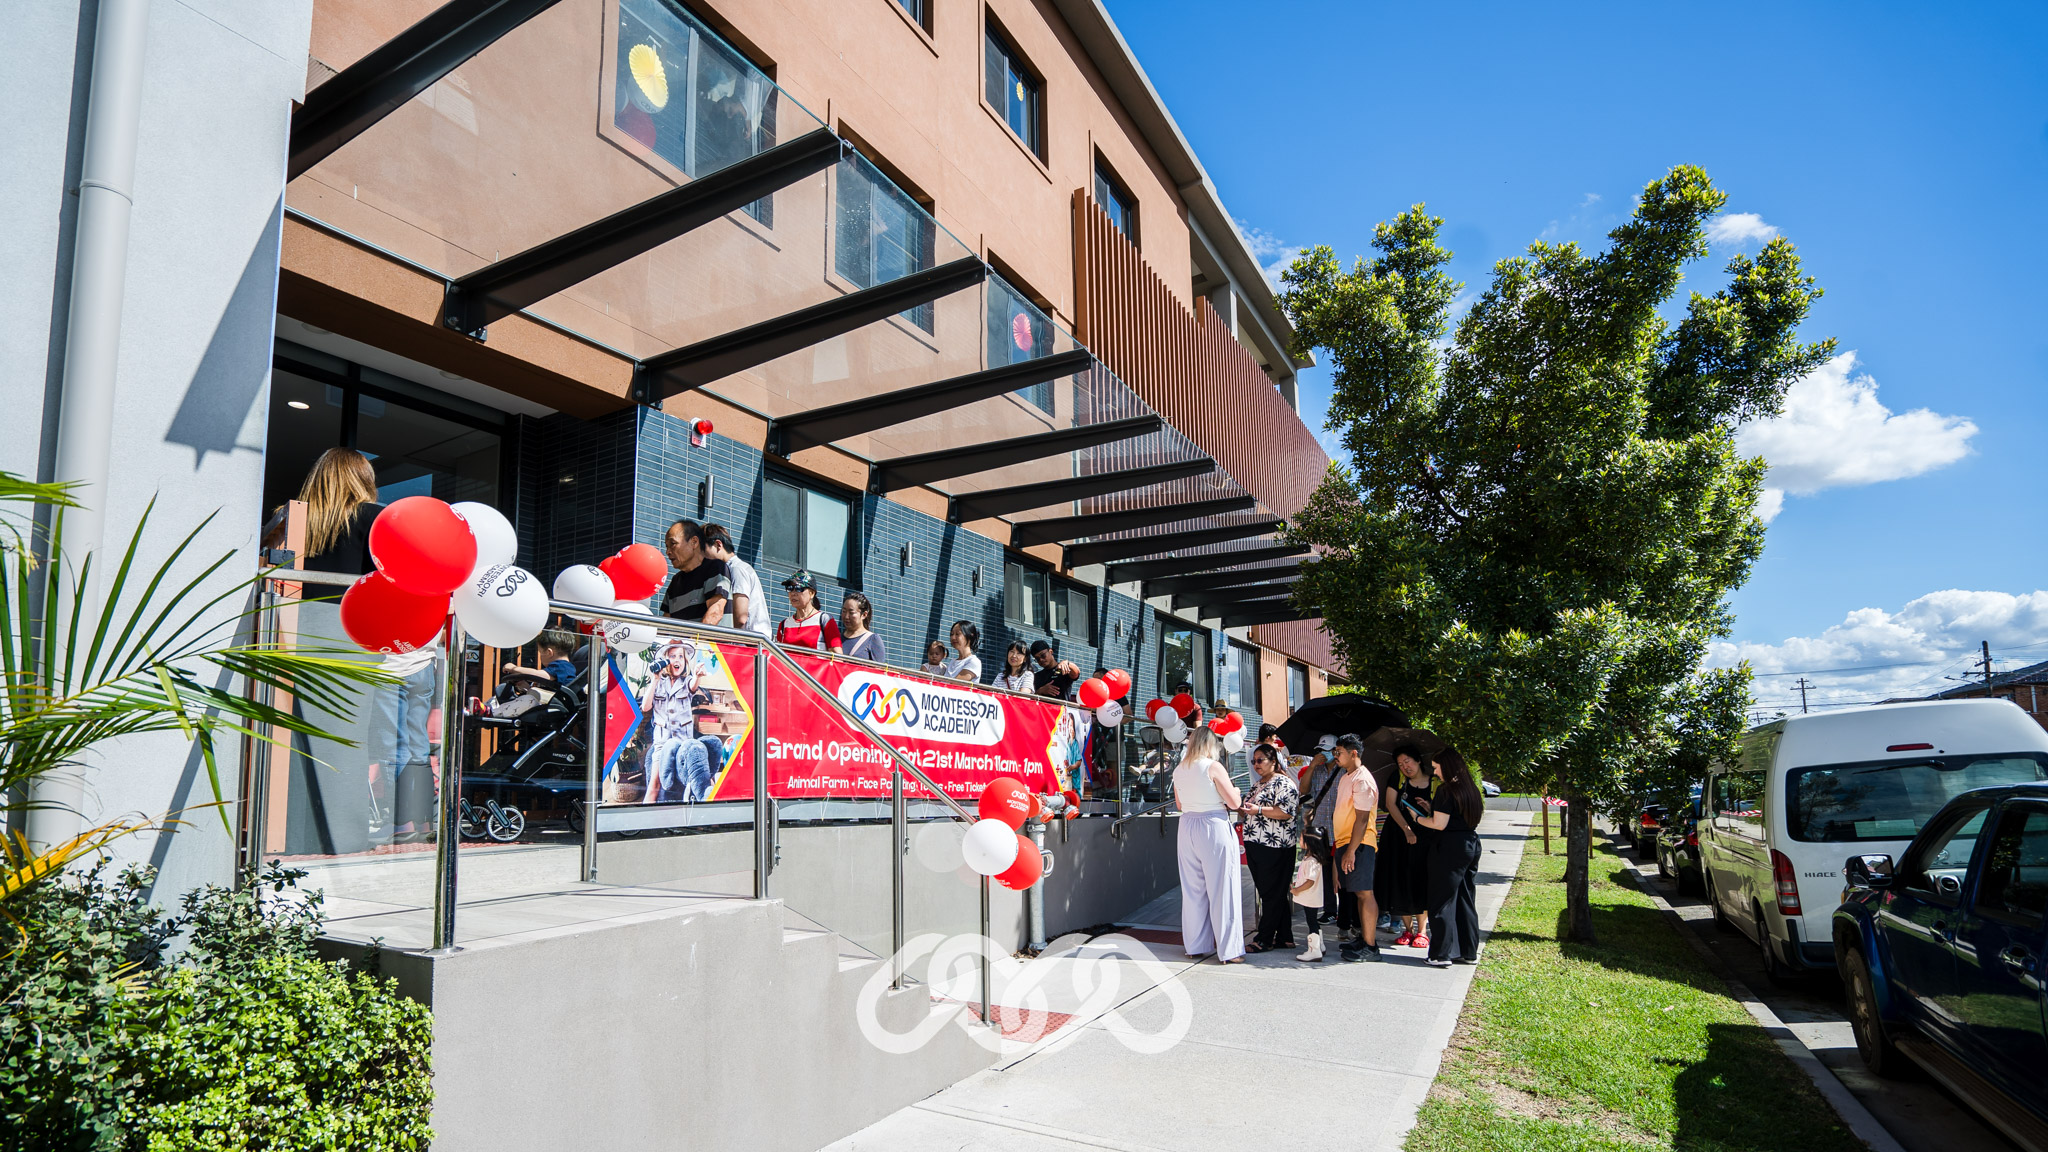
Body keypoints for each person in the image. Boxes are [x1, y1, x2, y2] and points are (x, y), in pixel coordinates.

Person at [296, 448, 444, 845]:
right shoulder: (376, 520)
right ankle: (408, 821)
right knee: (397, 740)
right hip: (371, 647)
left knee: (328, 737)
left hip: (306, 643)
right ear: (364, 478)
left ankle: (314, 824)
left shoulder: (298, 524)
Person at [1172, 725, 1244, 963]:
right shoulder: (1213, 766)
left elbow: (1179, 804)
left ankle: (1194, 945)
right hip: (1213, 824)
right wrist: (1236, 790)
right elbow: (1233, 802)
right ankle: (1230, 950)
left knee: (1193, 889)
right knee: (1223, 887)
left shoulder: (1179, 769)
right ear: (1211, 744)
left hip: (1187, 825)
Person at [1413, 755, 1486, 967]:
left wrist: (1417, 817)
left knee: (1441, 899)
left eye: (1437, 767)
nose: (1435, 772)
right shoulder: (1470, 789)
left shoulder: (1446, 790)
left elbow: (1438, 824)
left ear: (1447, 766)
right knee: (1465, 898)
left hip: (1449, 847)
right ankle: (1468, 951)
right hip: (1470, 843)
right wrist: (1431, 808)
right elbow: (1455, 817)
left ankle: (1440, 954)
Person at [1294, 734, 1354, 961]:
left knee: (1340, 876)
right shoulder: (1317, 770)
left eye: (1329, 751)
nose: (1326, 754)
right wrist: (1311, 766)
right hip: (1319, 831)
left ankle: (1345, 921)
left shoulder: (1345, 772)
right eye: (1321, 749)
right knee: (1318, 873)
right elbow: (1303, 789)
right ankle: (1328, 910)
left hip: (1339, 828)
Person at [1240, 742, 1299, 953]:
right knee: (1272, 893)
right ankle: (1285, 937)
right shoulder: (1259, 784)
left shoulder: (1284, 783)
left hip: (1276, 845)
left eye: (1261, 760)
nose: (1256, 765)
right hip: (1257, 843)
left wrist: (1258, 810)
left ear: (1273, 761)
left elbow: (1285, 812)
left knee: (1272, 893)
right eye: (1253, 761)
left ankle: (1264, 938)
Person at [1376, 746, 1438, 948]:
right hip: (1398, 835)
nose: (1405, 767)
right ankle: (1407, 931)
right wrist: (1406, 829)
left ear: (1419, 760)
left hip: (1425, 837)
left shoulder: (1434, 782)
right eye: (1401, 764)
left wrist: (1428, 810)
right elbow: (1390, 804)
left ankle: (1422, 931)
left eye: (1408, 761)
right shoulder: (1398, 778)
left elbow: (1439, 812)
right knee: (1399, 880)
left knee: (1421, 880)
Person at [640, 639, 716, 802]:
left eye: (680, 657)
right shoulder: (659, 683)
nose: (677, 660)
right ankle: (646, 822)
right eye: (673, 656)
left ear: (685, 661)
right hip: (662, 744)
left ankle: (710, 805)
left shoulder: (686, 682)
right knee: (654, 784)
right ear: (666, 660)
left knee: (699, 777)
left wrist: (697, 676)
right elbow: (645, 707)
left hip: (683, 743)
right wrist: (655, 679)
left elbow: (693, 686)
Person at [1332, 734, 1384, 962]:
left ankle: (1371, 946)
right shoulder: (1347, 776)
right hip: (1346, 841)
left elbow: (1362, 819)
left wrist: (1352, 850)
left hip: (1360, 843)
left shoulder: (1362, 779)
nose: (1336, 756)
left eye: (1339, 752)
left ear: (1354, 753)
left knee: (1365, 893)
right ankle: (1365, 938)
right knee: (1357, 894)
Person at [702, 524, 771, 639]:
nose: (702, 557)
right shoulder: (731, 568)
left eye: (703, 550)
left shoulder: (737, 569)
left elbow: (740, 618)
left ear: (718, 545)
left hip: (751, 645)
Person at [660, 519, 730, 625]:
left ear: (694, 542)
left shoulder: (715, 568)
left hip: (709, 641)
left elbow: (715, 613)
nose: (668, 552)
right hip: (683, 641)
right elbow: (666, 623)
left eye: (673, 544)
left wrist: (693, 641)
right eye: (667, 546)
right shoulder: (676, 581)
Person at [775, 570, 842, 652]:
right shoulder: (784, 624)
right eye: (790, 588)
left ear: (812, 593)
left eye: (798, 588)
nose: (793, 593)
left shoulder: (825, 620)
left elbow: (837, 658)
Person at [839, 592, 887, 663]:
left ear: (864, 615)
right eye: (844, 611)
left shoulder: (873, 639)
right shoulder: (837, 638)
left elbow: (880, 671)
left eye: (851, 613)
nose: (846, 616)